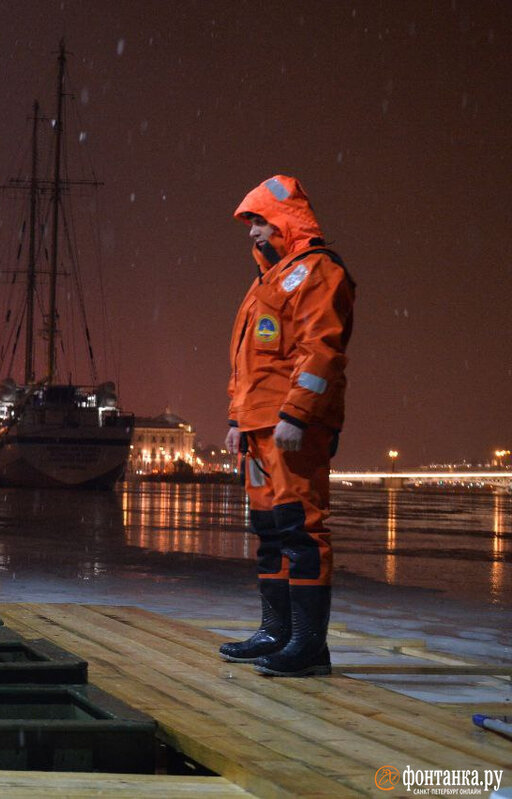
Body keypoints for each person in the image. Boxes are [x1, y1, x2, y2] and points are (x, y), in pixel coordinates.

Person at [218, 175, 355, 678]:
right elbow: (248, 364)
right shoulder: (266, 284)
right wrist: (237, 420)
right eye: (250, 223)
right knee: (271, 532)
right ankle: (277, 633)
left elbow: (320, 352)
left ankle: (308, 646)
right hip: (258, 430)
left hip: (290, 428)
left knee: (302, 530)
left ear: (284, 221)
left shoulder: (318, 272)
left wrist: (296, 414)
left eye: (258, 220)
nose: (252, 233)